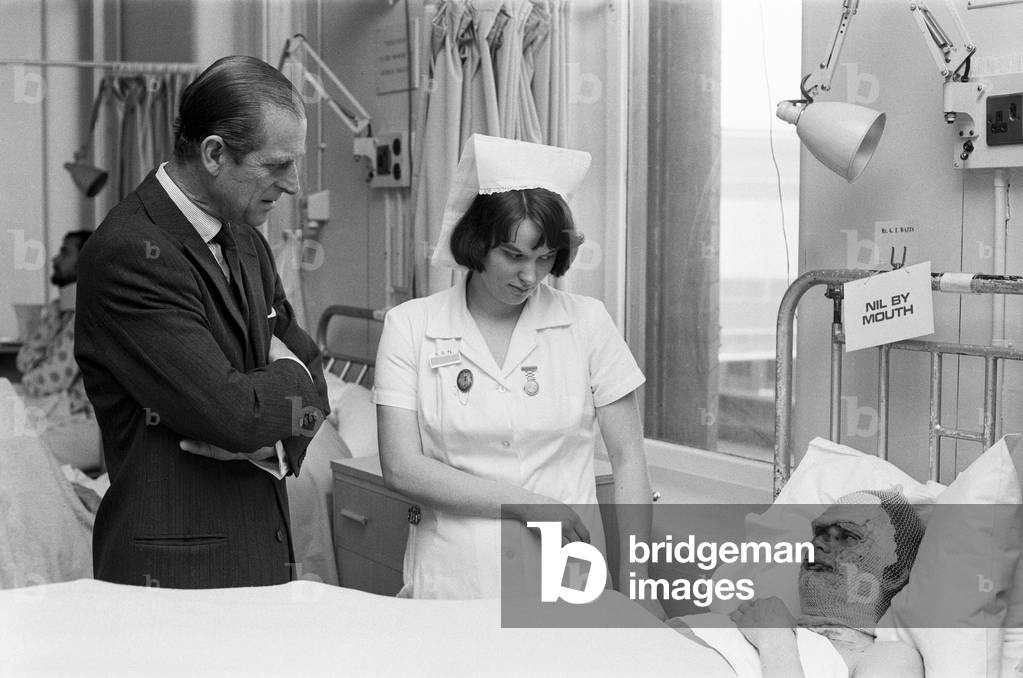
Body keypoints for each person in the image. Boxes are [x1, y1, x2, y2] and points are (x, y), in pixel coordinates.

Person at [374, 134, 663, 616]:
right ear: (477, 243)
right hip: (456, 580)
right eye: (513, 255)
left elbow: (630, 460)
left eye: (545, 258)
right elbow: (402, 467)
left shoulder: (587, 322)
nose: (530, 276)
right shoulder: (412, 325)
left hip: (568, 578)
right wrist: (528, 505)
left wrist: (639, 584)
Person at [75, 55, 329, 588]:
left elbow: (313, 375)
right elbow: (232, 415)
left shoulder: (245, 239)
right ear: (214, 153)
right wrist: (293, 388)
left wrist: (281, 438)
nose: (294, 185)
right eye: (279, 164)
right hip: (176, 575)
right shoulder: (130, 253)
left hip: (262, 552)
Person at [728, 490, 925, 677]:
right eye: (820, 533)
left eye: (848, 537)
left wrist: (775, 641)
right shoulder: (765, 619)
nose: (818, 545)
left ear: (894, 574)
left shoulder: (891, 657)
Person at [16, 230, 92, 415]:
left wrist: (37, 366)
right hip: (52, 405)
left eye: (65, 253)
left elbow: (50, 380)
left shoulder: (88, 313)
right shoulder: (58, 309)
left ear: (86, 261)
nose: (55, 260)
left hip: (74, 413)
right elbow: (22, 359)